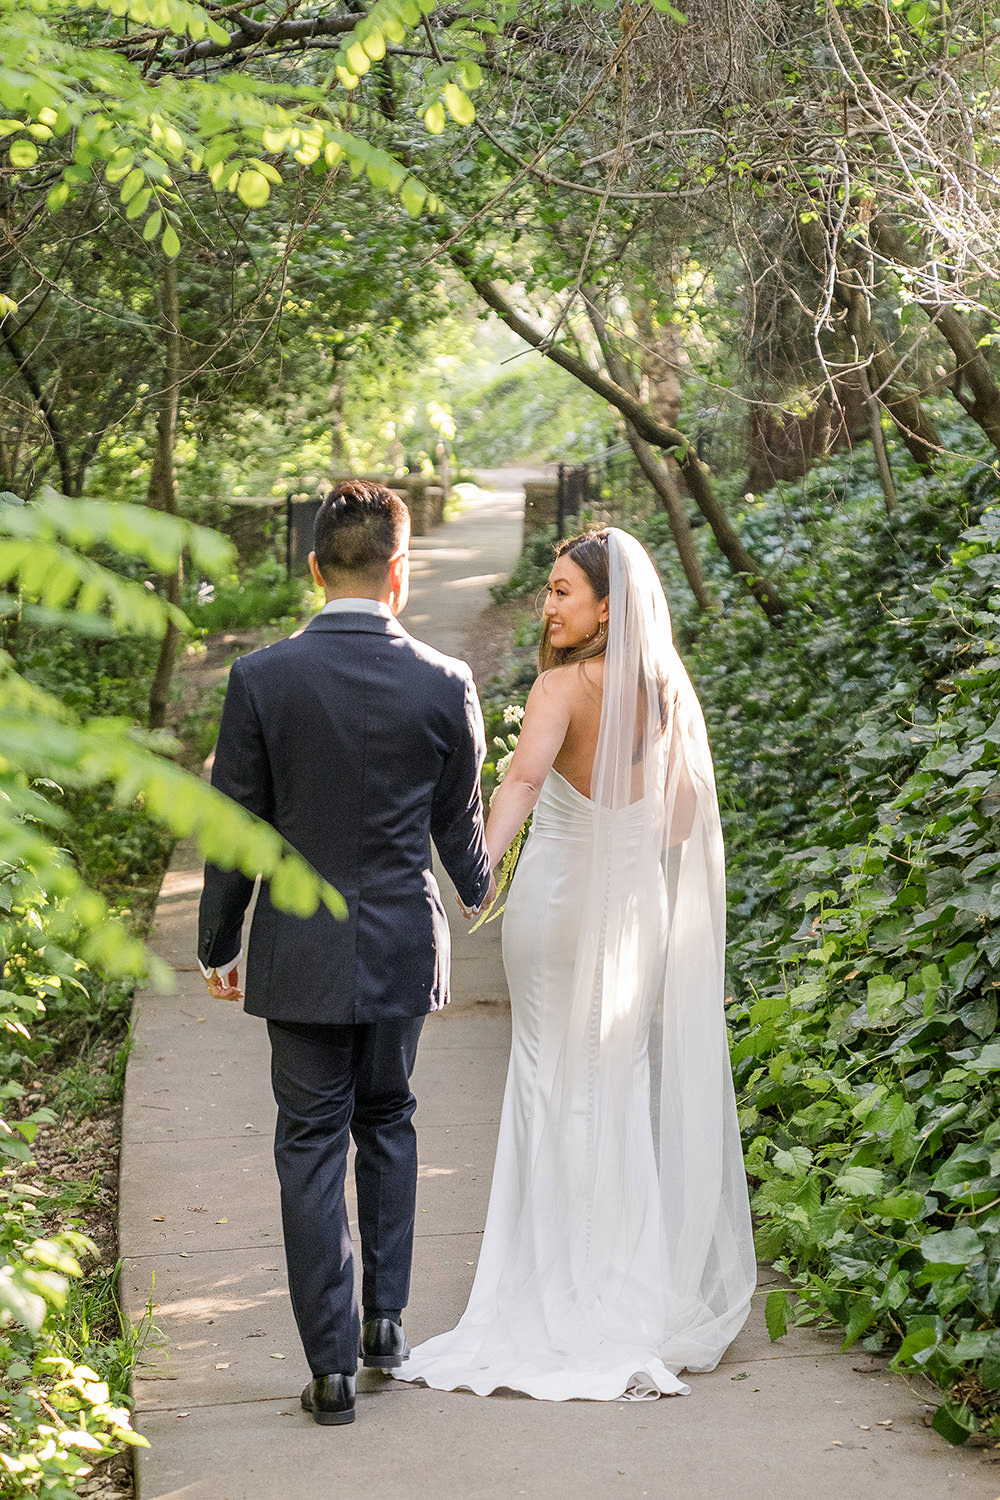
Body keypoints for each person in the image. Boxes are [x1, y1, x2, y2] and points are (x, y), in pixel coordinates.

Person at [395, 526, 756, 1402]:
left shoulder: (561, 688)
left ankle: (548, 1286)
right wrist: (618, 842)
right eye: (550, 590)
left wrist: (476, 880)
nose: (549, 604)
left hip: (556, 910)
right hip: (630, 910)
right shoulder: (664, 692)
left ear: (606, 605)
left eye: (562, 590)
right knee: (615, 1082)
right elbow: (678, 826)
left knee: (548, 1080)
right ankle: (625, 1291)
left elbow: (518, 784)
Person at [197, 479, 494, 1426]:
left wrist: (217, 944)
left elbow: (235, 829)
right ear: (400, 574)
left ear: (314, 568)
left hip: (298, 955)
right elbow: (461, 832)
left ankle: (328, 1370)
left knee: (310, 1145)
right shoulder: (445, 681)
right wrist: (488, 895)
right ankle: (388, 1327)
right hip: (404, 947)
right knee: (391, 1121)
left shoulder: (261, 679)